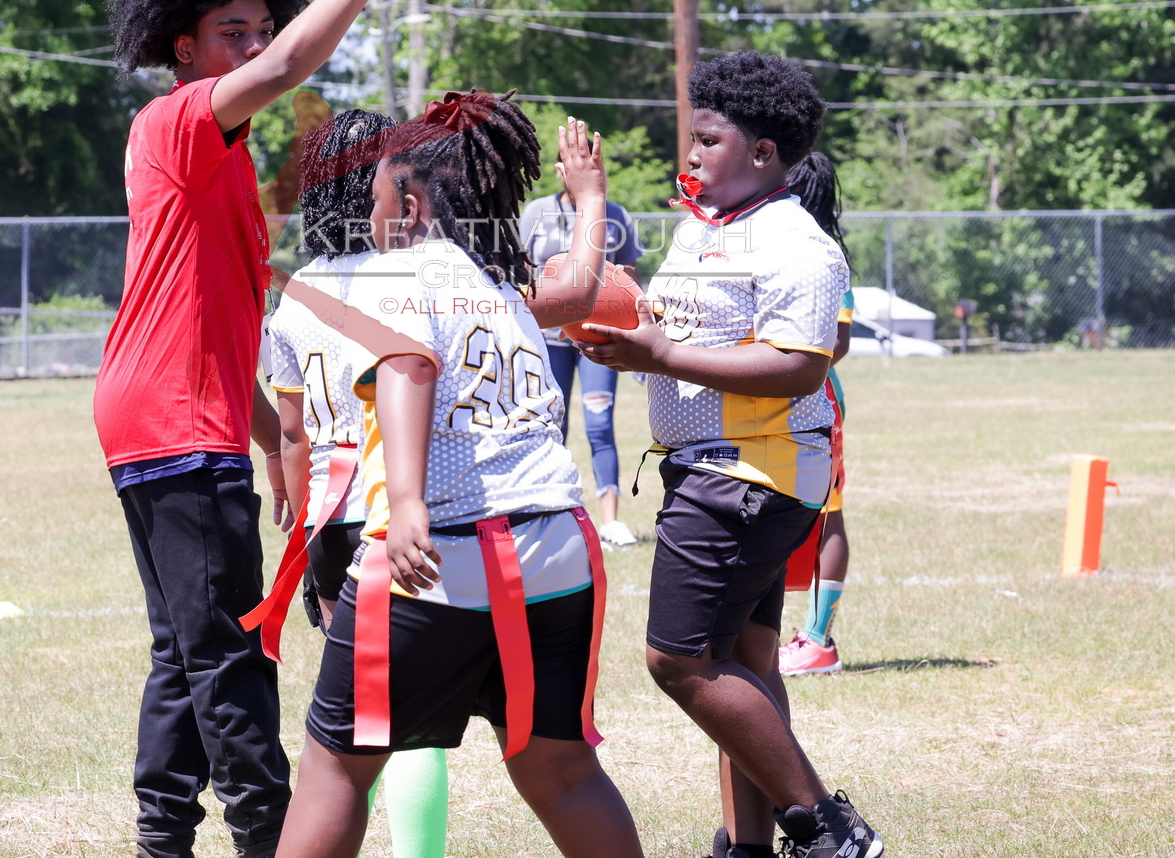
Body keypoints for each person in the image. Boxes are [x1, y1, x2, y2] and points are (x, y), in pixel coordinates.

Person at [93, 0, 464, 858]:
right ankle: (269, 840)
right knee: (230, 649)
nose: (256, 47)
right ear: (183, 47)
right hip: (172, 420)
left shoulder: (222, 157)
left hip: (172, 413)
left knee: (185, 649)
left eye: (264, 28)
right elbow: (299, 63)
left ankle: (163, 843)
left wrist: (273, 439)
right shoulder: (180, 121)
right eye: (234, 33)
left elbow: (220, 328)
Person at [275, 99, 644, 858]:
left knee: (335, 771)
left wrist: (407, 500)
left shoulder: (394, 270)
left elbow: (408, 363)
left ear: (410, 203)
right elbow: (579, 291)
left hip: (445, 548)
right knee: (563, 771)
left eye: (380, 188)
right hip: (558, 543)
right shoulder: (499, 282)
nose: (370, 204)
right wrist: (591, 200)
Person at [574, 52, 883, 858]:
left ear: (764, 152)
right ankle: (746, 846)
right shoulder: (705, 227)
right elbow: (684, 333)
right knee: (743, 658)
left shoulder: (795, 242)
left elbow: (800, 366)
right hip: (715, 467)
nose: (692, 153)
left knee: (678, 662)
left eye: (709, 140)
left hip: (747, 473)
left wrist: (663, 356)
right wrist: (633, 329)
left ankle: (827, 828)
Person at [262, 108, 450, 858]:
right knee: (413, 711)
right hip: (390, 503)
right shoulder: (402, 277)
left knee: (354, 711)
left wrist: (294, 500)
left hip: (330, 513)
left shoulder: (297, 291)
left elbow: (293, 431)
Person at [518, 156, 646, 548]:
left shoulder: (615, 214)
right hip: (548, 340)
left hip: (597, 337)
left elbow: (628, 277)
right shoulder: (537, 212)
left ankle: (611, 521)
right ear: (559, 170)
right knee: (549, 424)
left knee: (599, 424)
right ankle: (550, 515)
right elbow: (521, 270)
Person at [778, 152, 854, 679]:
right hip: (783, 395)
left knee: (829, 512)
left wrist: (787, 371)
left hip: (817, 397)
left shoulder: (821, 252)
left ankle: (819, 640)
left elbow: (839, 341)